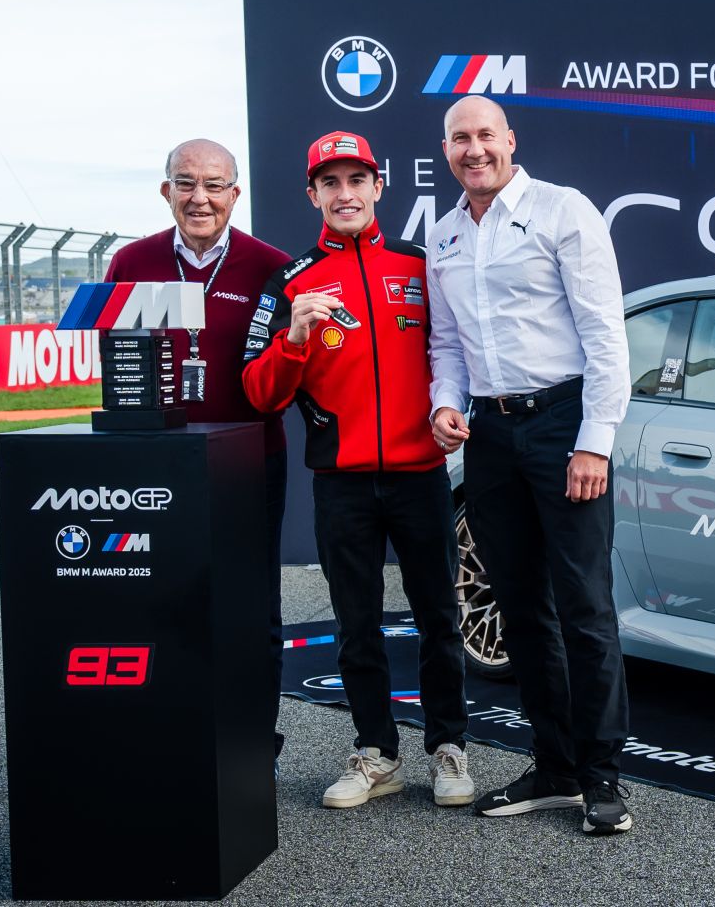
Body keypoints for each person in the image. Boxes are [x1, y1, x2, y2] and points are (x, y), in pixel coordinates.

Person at [241, 130, 472, 810]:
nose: (345, 194)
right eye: (330, 183)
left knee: (439, 617)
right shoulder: (291, 281)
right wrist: (294, 337)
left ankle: (449, 747)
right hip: (341, 481)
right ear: (312, 194)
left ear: (379, 187)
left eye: (356, 180)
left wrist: (451, 412)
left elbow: (461, 354)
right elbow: (259, 394)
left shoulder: (421, 265)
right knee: (356, 623)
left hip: (421, 473)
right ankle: (377, 752)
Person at [424, 95, 633, 834]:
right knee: (520, 609)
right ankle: (554, 767)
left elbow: (605, 334)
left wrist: (594, 440)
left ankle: (601, 775)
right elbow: (446, 345)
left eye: (486, 134)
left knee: (584, 606)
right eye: (460, 138)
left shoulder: (561, 209)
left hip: (563, 424)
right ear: (446, 150)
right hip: (489, 433)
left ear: (510, 140)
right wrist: (444, 404)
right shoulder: (445, 235)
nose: (474, 149)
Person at [102, 138, 292, 757]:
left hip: (248, 465)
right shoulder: (131, 261)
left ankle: (253, 742)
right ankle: (167, 733)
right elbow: (115, 368)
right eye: (186, 183)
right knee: (159, 599)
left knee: (252, 606)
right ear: (166, 191)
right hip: (153, 468)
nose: (200, 198)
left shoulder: (272, 266)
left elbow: (285, 371)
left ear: (235, 194)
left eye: (214, 185)